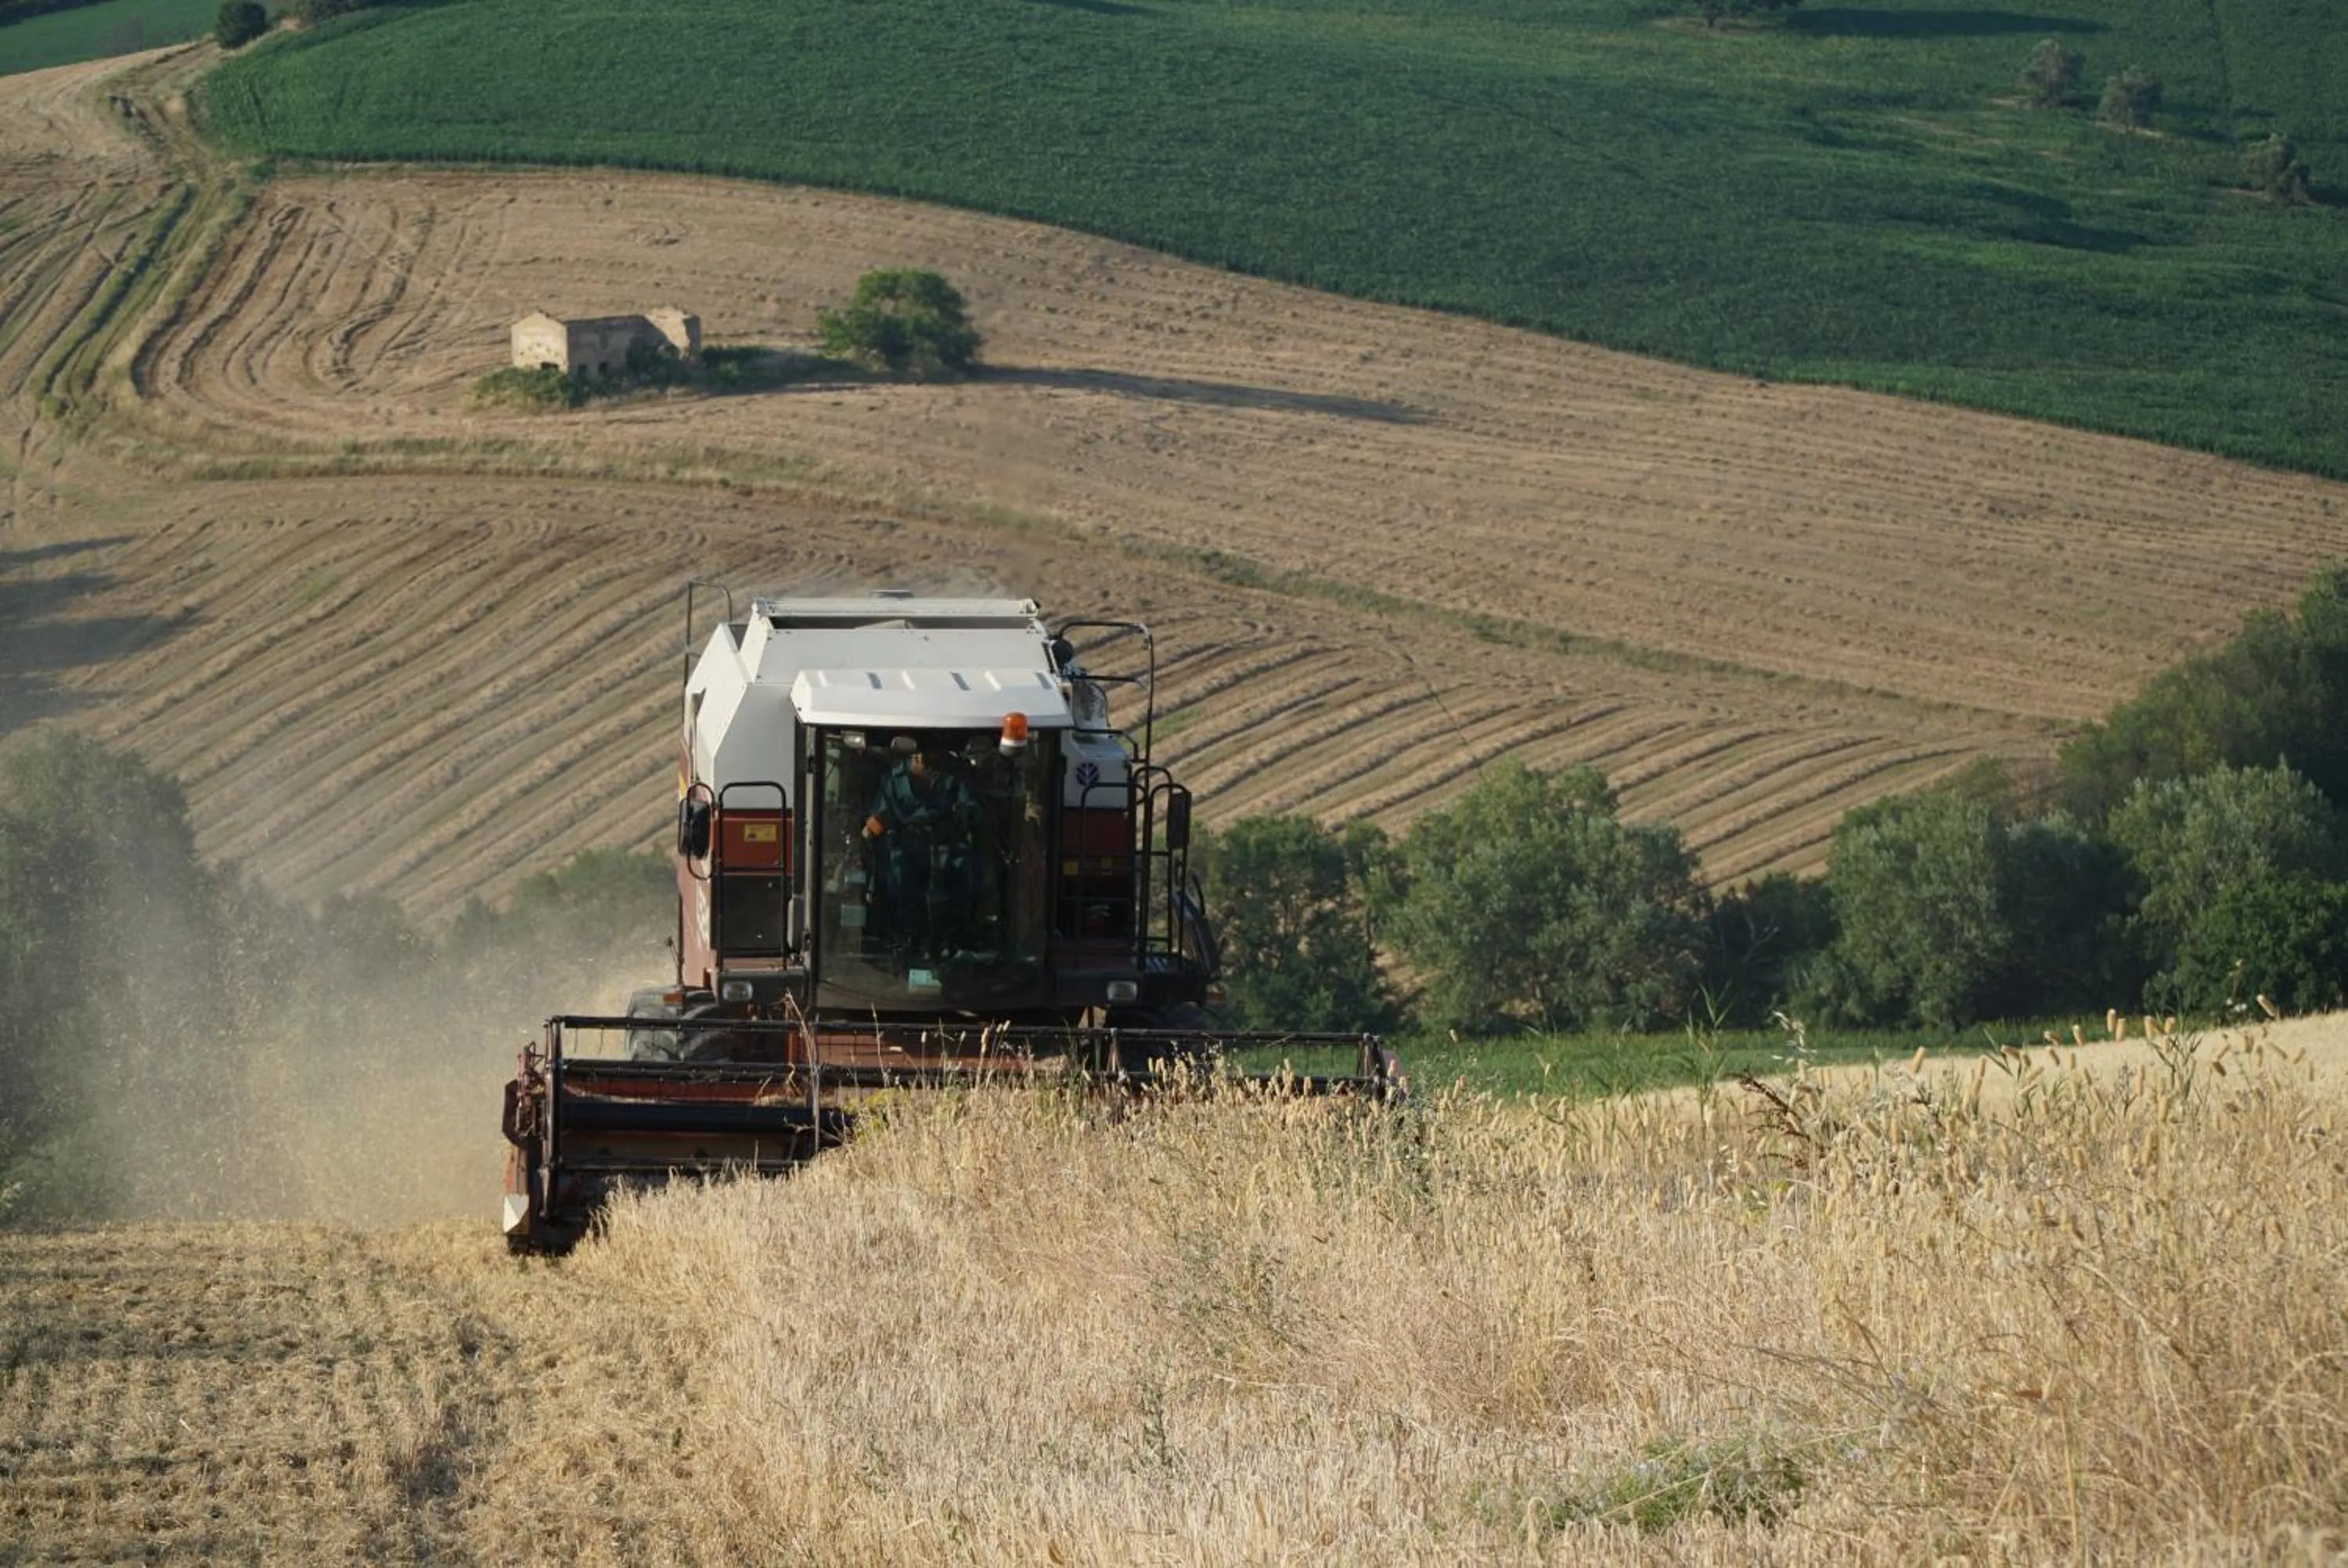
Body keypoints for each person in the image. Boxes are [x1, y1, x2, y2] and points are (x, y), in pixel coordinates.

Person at [862, 747, 982, 960]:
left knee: (963, 874)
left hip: (947, 844)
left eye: (929, 749)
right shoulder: (894, 778)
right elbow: (882, 812)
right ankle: (907, 937)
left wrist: (965, 815)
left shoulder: (955, 774)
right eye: (917, 752)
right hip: (908, 845)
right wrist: (869, 831)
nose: (922, 756)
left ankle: (953, 938)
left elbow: (972, 808)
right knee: (897, 878)